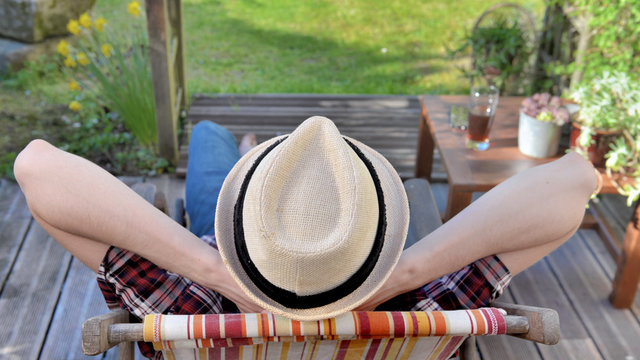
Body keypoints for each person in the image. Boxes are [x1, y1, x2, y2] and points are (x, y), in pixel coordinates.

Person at [13, 116, 597, 358]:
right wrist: (405, 274)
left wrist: (216, 269)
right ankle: (261, 162)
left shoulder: (193, 307)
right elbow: (577, 180)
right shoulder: (422, 307)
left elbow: (37, 169)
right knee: (225, 159)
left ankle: (251, 161)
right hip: (363, 290)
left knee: (209, 141)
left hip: (221, 263)